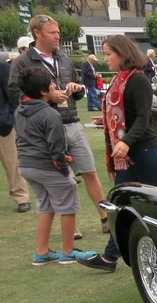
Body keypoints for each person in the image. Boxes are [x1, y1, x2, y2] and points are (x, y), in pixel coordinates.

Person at [9, 15, 109, 238]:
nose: (58, 36)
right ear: (38, 33)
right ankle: (71, 228)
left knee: (90, 171)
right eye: (53, 33)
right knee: (62, 178)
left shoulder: (63, 58)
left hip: (72, 122)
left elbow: (79, 85)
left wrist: (77, 89)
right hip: (45, 128)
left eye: (58, 32)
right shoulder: (22, 62)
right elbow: (14, 94)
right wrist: (47, 96)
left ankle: (105, 218)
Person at [78, 35, 157, 273]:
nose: (105, 58)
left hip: (146, 153)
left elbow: (143, 117)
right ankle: (110, 257)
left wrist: (126, 140)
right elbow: (122, 113)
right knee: (119, 204)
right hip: (128, 155)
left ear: (122, 53)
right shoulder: (120, 78)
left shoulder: (138, 80)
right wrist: (106, 121)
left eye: (108, 53)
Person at [15, 67, 95, 265]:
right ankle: (68, 251)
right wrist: (62, 168)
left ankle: (41, 252)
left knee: (46, 206)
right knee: (67, 204)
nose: (54, 86)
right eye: (51, 84)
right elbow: (57, 148)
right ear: (44, 91)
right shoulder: (50, 115)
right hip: (46, 166)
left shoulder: (19, 109)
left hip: (26, 166)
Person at [0, 55, 31, 212]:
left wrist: (10, 118)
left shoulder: (2, 66)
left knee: (12, 163)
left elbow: (12, 95)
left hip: (3, 125)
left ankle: (21, 197)